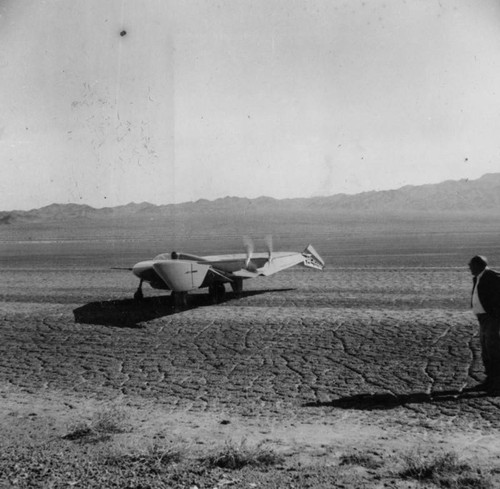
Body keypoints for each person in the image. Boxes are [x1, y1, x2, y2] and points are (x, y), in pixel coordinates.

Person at [468, 255, 500, 394]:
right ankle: (490, 381)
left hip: (491, 319)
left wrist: (496, 314)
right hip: (483, 319)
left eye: (471, 265)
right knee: (486, 351)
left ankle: (497, 384)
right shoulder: (479, 277)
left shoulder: (492, 277)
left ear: (479, 265)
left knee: (494, 350)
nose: (469, 268)